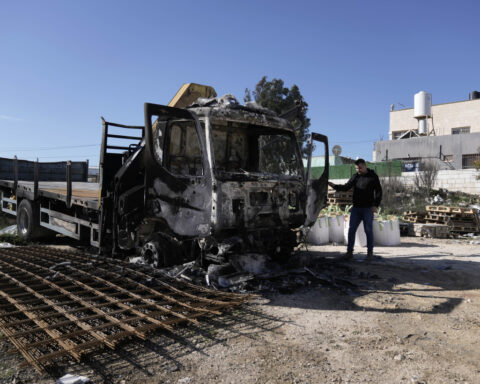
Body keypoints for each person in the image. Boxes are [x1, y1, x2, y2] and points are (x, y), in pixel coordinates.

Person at [328, 158, 382, 261]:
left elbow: (379, 192)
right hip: (356, 208)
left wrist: (376, 205)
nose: (359, 170)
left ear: (365, 165)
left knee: (368, 230)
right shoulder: (355, 177)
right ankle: (349, 253)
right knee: (351, 230)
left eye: (360, 168)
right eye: (357, 168)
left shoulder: (373, 176)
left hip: (368, 209)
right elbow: (346, 187)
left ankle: (370, 254)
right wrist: (334, 186)